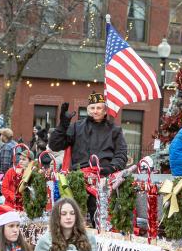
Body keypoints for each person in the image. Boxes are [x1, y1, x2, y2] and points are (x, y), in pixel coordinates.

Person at [48, 93, 127, 222]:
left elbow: (121, 154)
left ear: (104, 109)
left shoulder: (115, 130)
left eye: (99, 108)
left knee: (103, 222)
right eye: (92, 108)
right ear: (88, 109)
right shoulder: (76, 127)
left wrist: (111, 167)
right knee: (76, 222)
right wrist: (62, 125)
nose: (95, 111)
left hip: (103, 181)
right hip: (78, 181)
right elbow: (55, 145)